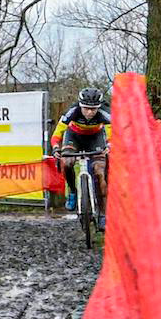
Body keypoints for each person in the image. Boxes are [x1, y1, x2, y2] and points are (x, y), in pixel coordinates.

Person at [51, 86, 112, 223]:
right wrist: (56, 148)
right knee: (67, 162)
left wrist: (109, 146)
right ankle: (73, 191)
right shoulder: (72, 111)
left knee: (100, 172)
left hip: (95, 138)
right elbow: (57, 133)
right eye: (86, 108)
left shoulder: (105, 113)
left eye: (94, 109)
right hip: (74, 137)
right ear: (80, 105)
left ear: (99, 107)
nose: (90, 112)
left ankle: (103, 214)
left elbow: (111, 134)